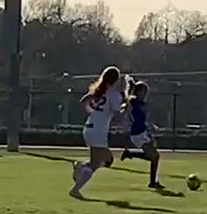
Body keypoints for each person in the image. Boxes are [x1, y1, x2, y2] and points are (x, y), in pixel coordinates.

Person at [70, 66, 125, 199]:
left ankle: (80, 167)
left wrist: (93, 112)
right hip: (99, 131)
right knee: (96, 163)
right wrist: (126, 107)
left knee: (107, 159)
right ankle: (76, 189)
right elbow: (118, 114)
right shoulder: (114, 94)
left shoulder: (98, 90)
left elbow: (84, 101)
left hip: (90, 127)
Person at [121, 80, 165, 189]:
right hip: (138, 134)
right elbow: (128, 105)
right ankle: (152, 182)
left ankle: (130, 153)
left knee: (154, 157)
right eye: (144, 92)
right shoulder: (134, 102)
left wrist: (152, 128)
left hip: (142, 133)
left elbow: (143, 119)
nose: (145, 95)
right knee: (154, 156)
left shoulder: (140, 104)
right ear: (139, 92)